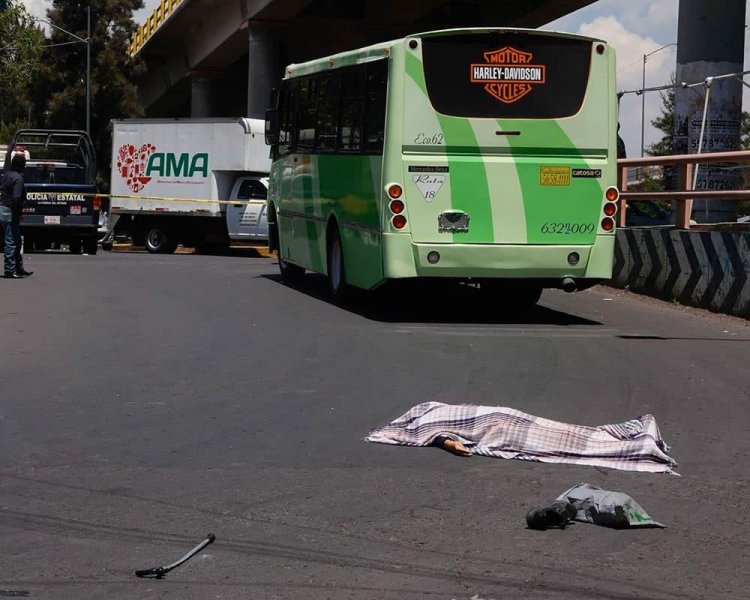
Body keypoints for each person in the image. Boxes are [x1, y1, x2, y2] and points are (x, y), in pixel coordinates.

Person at [0, 153, 33, 278]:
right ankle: (10, 270)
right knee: (11, 241)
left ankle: (18, 268)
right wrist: (18, 212)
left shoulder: (7, 175)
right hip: (10, 211)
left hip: (2, 208)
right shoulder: (18, 179)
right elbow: (16, 197)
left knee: (17, 241)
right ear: (22, 166)